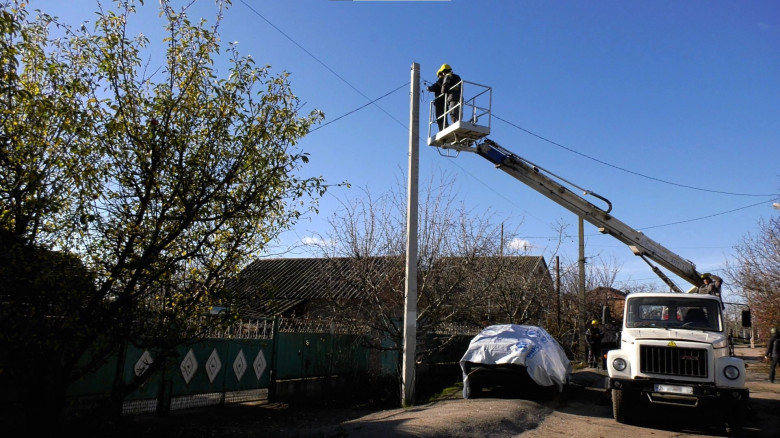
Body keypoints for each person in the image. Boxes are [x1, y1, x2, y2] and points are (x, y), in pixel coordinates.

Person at [426, 63, 462, 130]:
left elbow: (442, 87)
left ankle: (450, 127)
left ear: (443, 72)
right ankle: (455, 125)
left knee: (452, 114)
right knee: (457, 113)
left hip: (451, 98)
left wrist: (429, 88)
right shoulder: (457, 77)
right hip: (459, 97)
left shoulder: (447, 76)